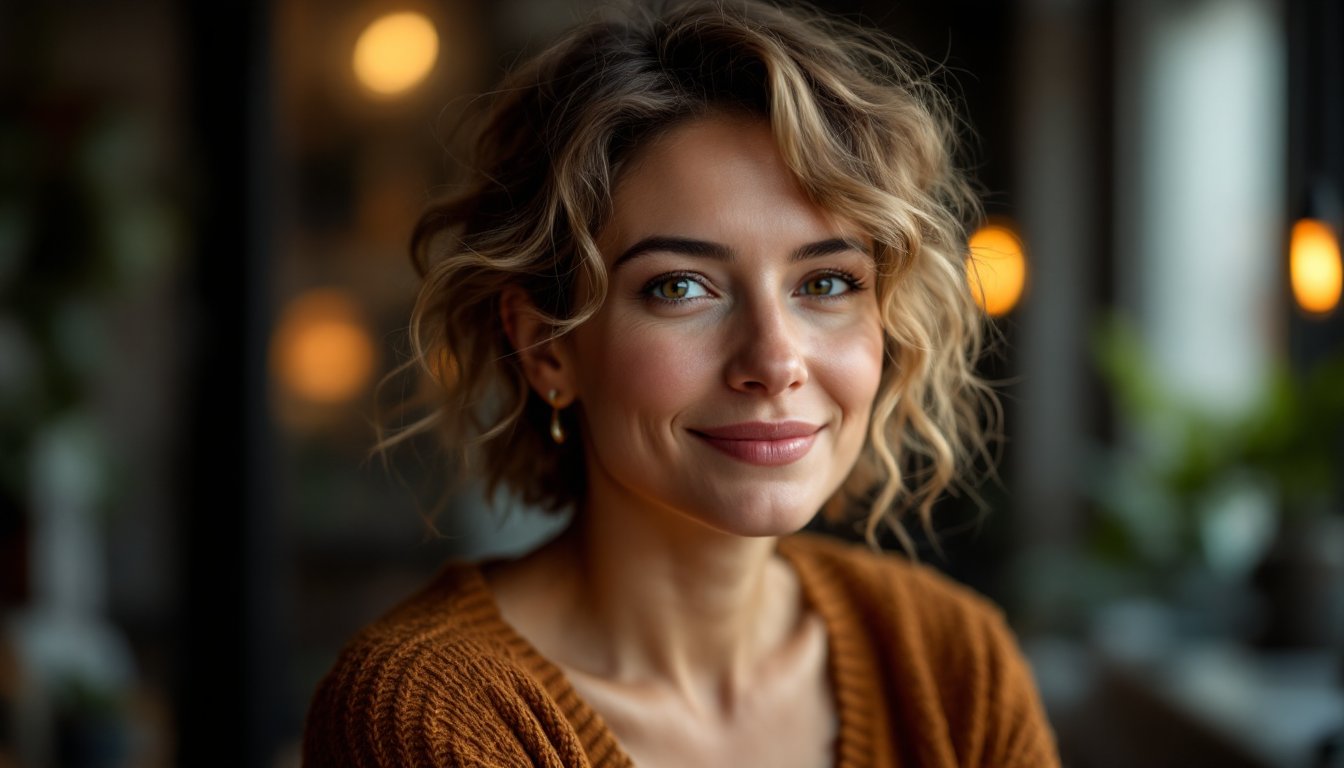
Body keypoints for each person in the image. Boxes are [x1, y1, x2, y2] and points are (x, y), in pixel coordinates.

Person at [303, 1, 1060, 766]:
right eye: (680, 288)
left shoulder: (952, 663)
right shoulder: (431, 714)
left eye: (827, 282)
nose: (773, 360)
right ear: (545, 349)